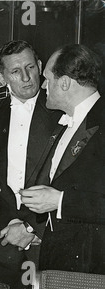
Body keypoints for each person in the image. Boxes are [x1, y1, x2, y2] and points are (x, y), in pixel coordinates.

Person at [0, 40, 63, 289]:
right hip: (4, 235)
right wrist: (9, 223)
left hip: (48, 232)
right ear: (1, 76)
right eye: (15, 71)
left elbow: (65, 178)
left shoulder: (62, 112)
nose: (26, 77)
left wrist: (30, 226)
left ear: (40, 66)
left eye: (30, 67)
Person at [20, 44, 104, 274]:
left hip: (93, 266)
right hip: (58, 258)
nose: (44, 86)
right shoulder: (66, 122)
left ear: (65, 83)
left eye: (48, 79)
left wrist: (61, 202)